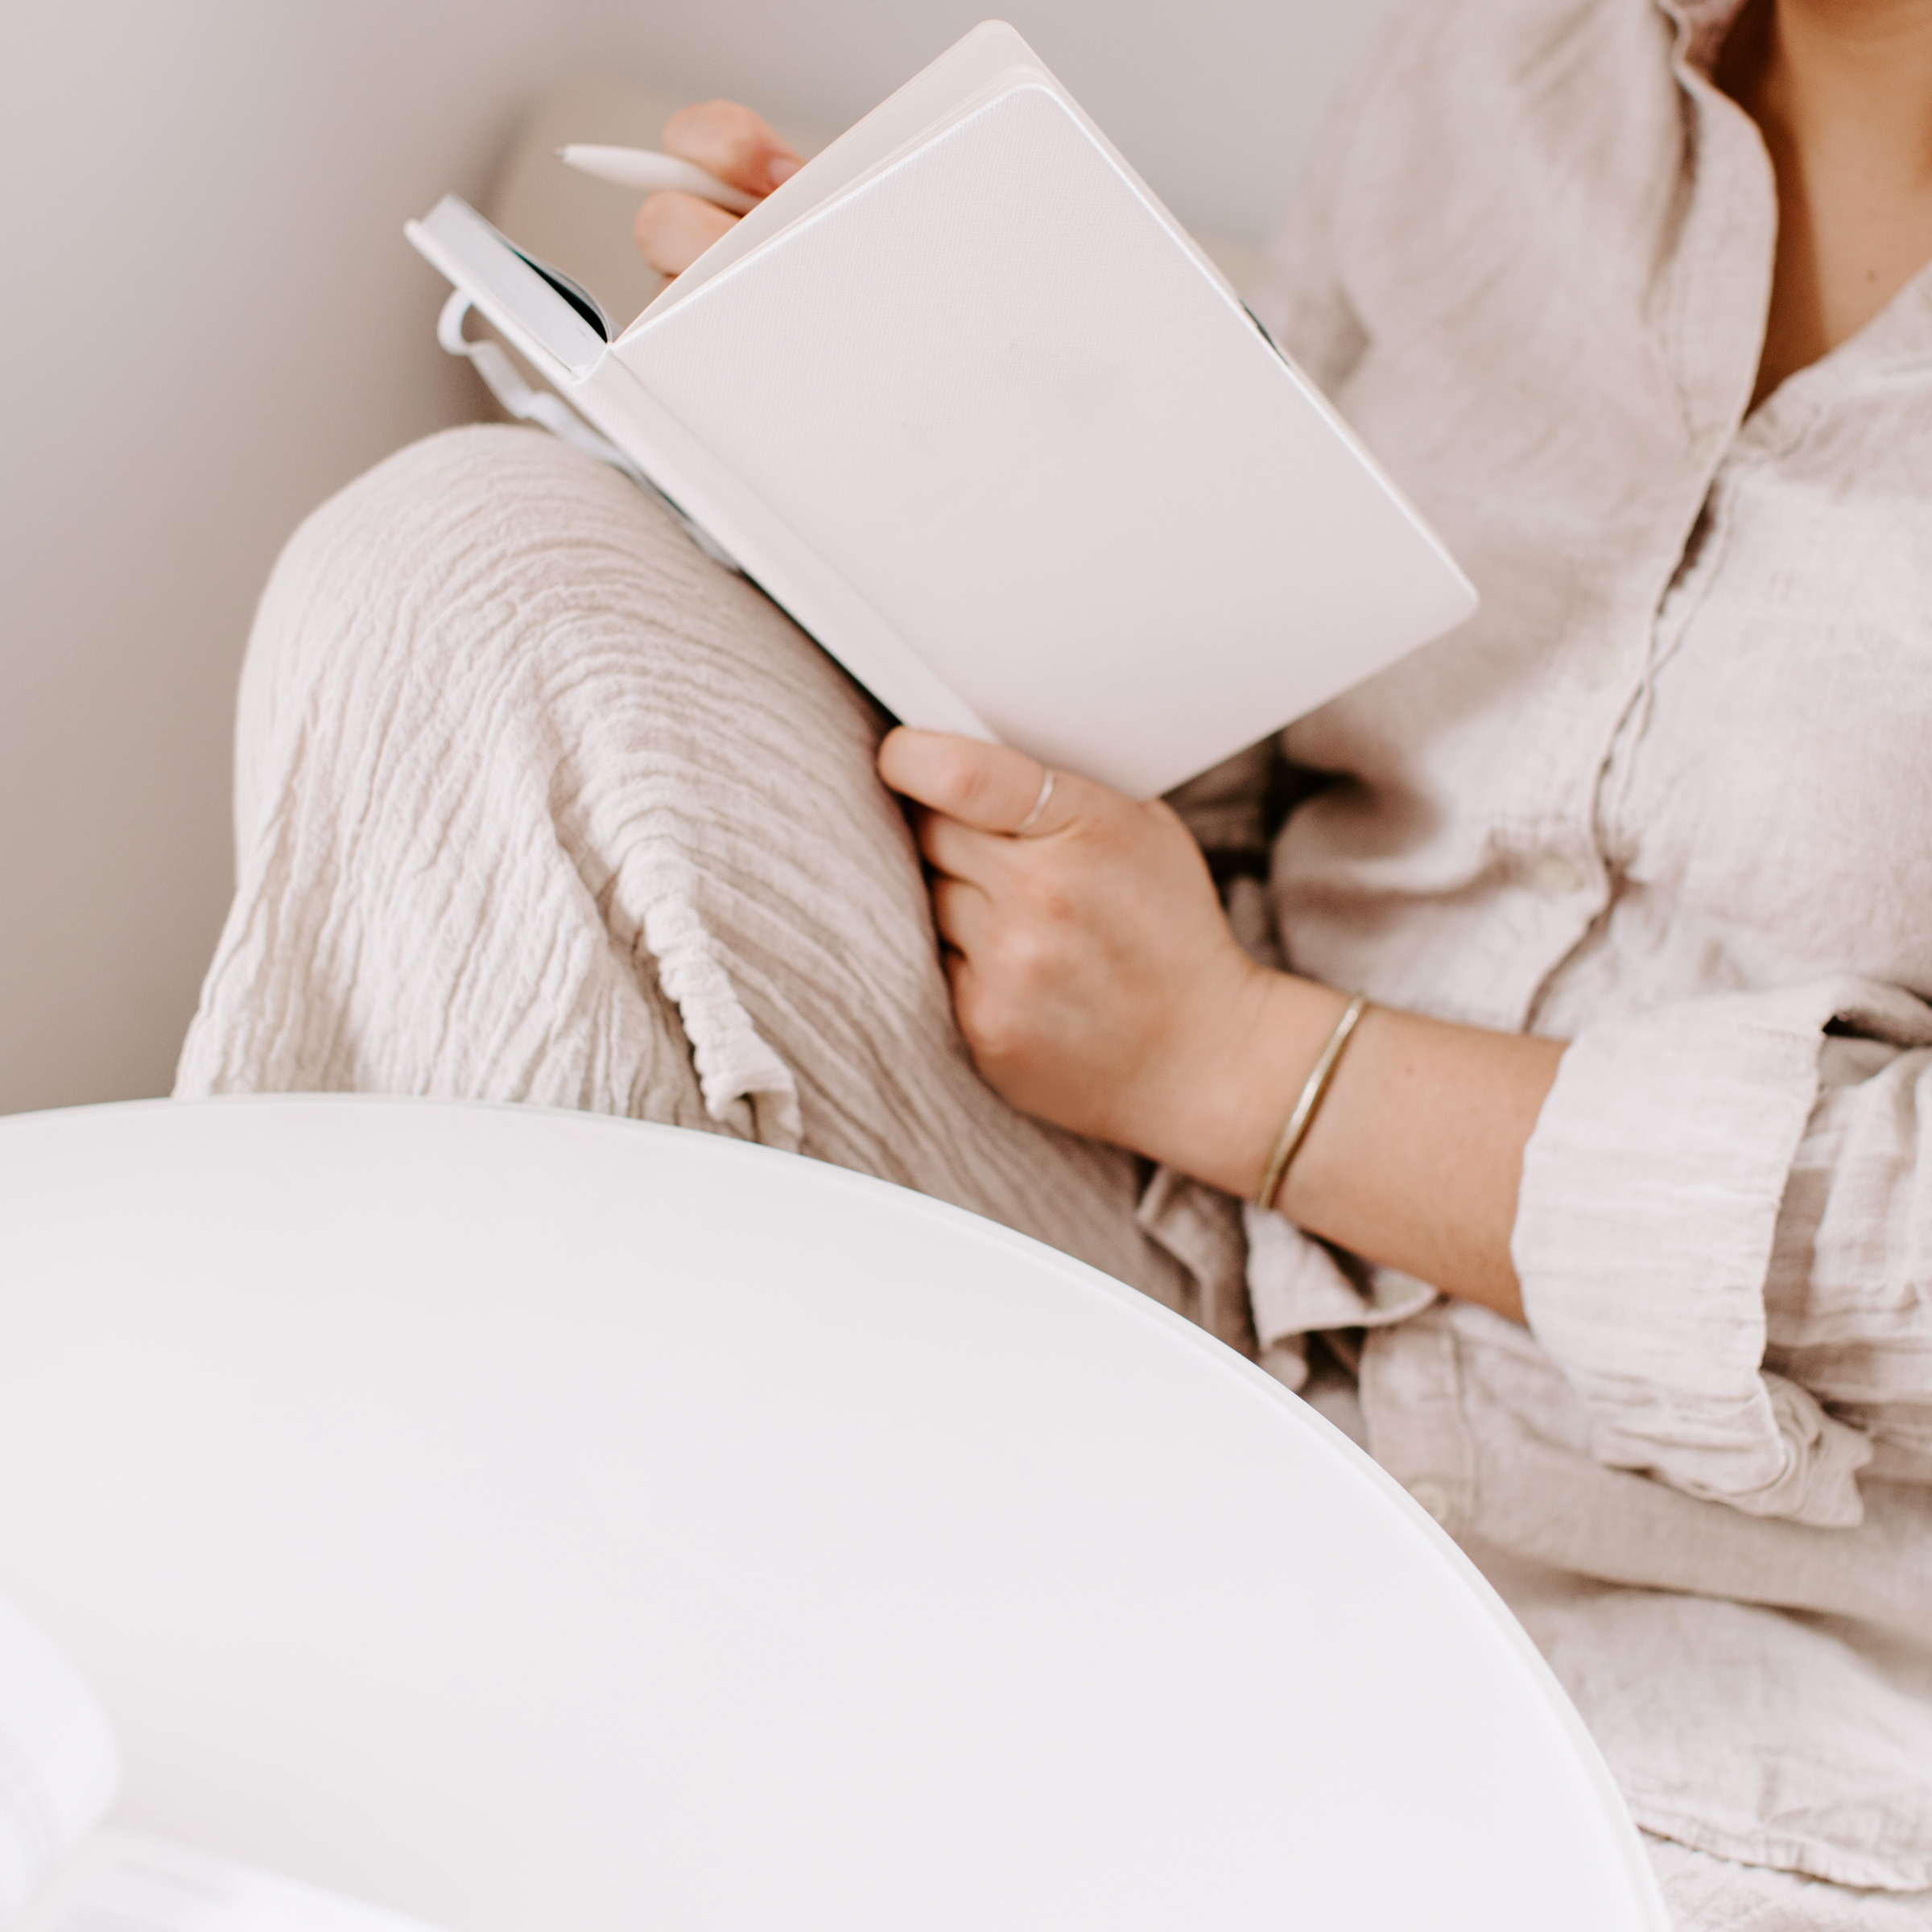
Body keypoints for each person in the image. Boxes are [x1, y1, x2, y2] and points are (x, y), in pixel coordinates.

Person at [179, 0, 1932, 1920]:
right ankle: (373, 1753)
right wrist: (921, 444)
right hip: (1196, 1260)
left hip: (1760, 1658)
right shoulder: (1498, 68)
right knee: (462, 584)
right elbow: (1283, 735)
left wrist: (1257, 1068)